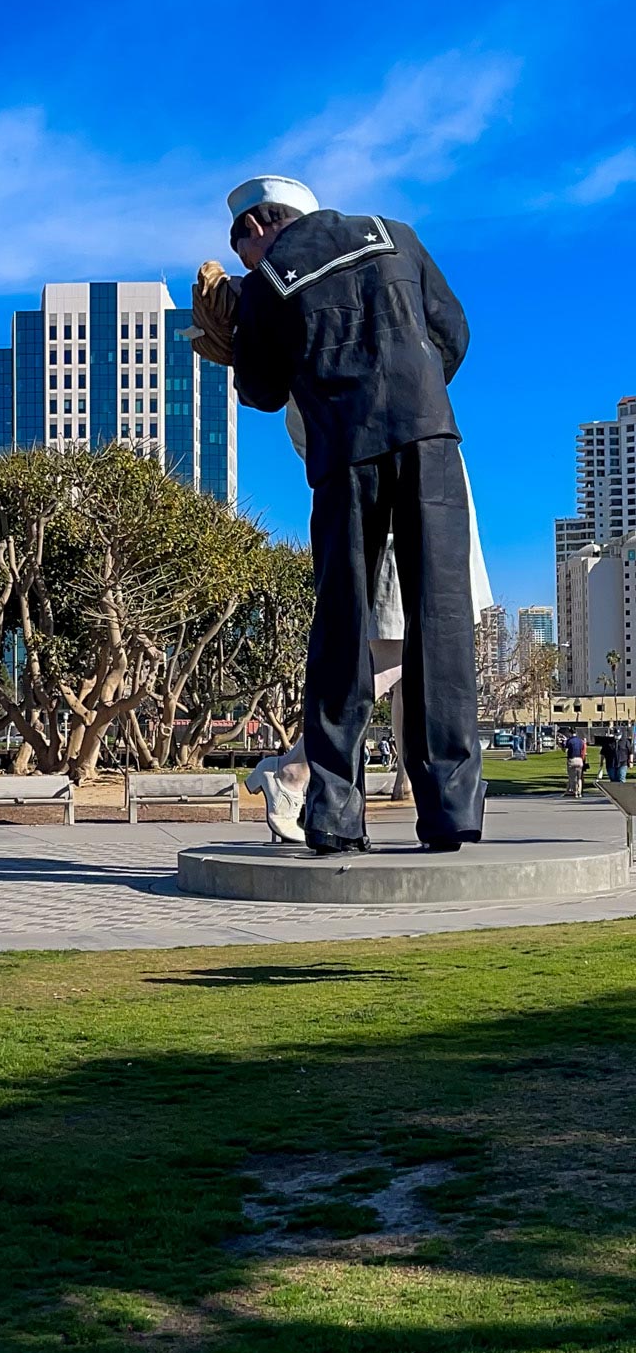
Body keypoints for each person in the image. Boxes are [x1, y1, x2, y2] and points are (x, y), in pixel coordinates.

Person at [206, 175, 482, 856]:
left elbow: (263, 391)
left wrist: (246, 342)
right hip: (429, 437)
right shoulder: (395, 233)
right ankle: (451, 807)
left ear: (264, 224)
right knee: (439, 620)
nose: (243, 255)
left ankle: (332, 810)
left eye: (241, 240)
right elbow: (454, 333)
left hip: (344, 455)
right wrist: (407, 386)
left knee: (342, 628)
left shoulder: (272, 279)